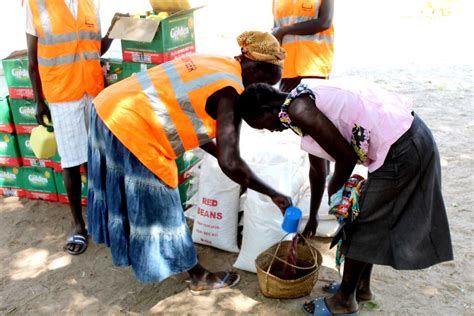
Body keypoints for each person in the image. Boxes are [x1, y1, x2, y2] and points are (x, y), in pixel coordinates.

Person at [87, 31, 291, 291]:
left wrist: (234, 163)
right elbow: (230, 162)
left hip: (107, 106)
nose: (259, 91)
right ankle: (198, 276)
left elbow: (190, 113)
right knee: (164, 204)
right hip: (132, 124)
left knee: (132, 196)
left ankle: (148, 253)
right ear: (253, 67)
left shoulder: (217, 62)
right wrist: (274, 194)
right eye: (262, 82)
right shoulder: (231, 92)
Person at [238, 81, 453, 315]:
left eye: (260, 125)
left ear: (266, 110)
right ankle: (360, 288)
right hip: (402, 140)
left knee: (361, 225)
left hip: (403, 148)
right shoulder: (298, 101)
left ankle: (344, 301)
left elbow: (346, 157)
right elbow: (317, 168)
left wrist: (336, 190)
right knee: (366, 220)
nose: (269, 130)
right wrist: (314, 218)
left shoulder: (299, 110)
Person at [25, 0, 123, 255]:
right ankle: (78, 225)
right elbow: (32, 60)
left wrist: (113, 29)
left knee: (95, 160)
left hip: (92, 90)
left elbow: (95, 49)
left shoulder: (91, 3)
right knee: (71, 160)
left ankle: (100, 219)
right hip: (62, 93)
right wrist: (38, 101)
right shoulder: (37, 5)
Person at [272, 0, 334, 92]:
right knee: (288, 105)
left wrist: (283, 30)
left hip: (314, 67)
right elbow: (276, 32)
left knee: (311, 104)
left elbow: (325, 22)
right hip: (287, 69)